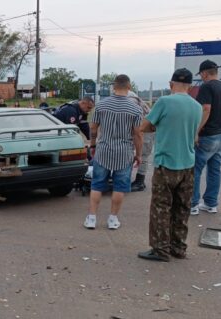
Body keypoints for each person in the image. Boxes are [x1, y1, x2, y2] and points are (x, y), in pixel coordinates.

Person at [137, 68, 203, 262]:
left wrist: (159, 126)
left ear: (170, 84)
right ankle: (178, 247)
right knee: (182, 208)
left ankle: (160, 249)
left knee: (161, 207)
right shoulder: (197, 106)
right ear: (190, 86)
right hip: (188, 164)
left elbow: (144, 126)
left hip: (166, 163)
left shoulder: (164, 102)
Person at [84, 74, 143, 230]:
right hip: (124, 152)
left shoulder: (101, 105)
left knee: (96, 185)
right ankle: (112, 219)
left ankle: (91, 218)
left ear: (114, 87)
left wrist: (93, 145)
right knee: (119, 187)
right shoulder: (135, 109)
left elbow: (93, 128)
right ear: (129, 87)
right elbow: (138, 134)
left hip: (103, 150)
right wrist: (138, 154)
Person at [191, 60, 221, 216]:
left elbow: (206, 109)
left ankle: (193, 204)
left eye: (201, 75)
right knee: (215, 170)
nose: (201, 77)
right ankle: (211, 203)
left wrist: (196, 131)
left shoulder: (206, 87)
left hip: (207, 134)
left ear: (204, 73)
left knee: (194, 170)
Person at [128, 91, 153, 192]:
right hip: (141, 126)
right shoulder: (128, 95)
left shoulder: (130, 99)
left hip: (147, 128)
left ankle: (140, 182)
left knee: (143, 154)